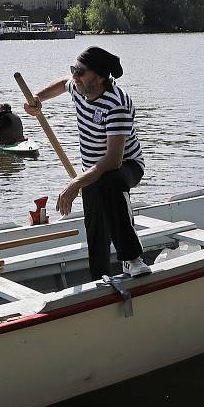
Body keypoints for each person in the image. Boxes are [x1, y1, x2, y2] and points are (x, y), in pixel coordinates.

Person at [23, 46, 150, 279]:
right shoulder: (79, 87)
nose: (75, 76)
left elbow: (113, 161)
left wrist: (74, 185)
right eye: (74, 69)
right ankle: (99, 278)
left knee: (110, 182)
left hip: (126, 165)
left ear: (100, 77)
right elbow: (63, 83)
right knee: (95, 226)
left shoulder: (116, 103)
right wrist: (37, 99)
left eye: (80, 71)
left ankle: (132, 258)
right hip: (92, 170)